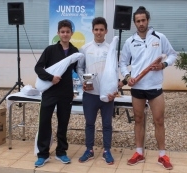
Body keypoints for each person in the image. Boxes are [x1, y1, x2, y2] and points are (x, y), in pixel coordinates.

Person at [119, 6, 177, 170]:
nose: (141, 23)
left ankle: (162, 155)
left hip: (154, 87)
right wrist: (128, 77)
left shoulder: (159, 37)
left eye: (143, 20)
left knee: (159, 121)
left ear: (148, 20)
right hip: (137, 87)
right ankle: (139, 152)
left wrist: (164, 64)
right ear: (134, 23)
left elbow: (172, 54)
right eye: (138, 21)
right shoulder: (130, 42)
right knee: (138, 120)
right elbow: (123, 63)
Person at [34, 20, 79, 167]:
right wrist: (50, 78)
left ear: (71, 33)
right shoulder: (50, 50)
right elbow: (38, 68)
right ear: (58, 33)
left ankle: (61, 152)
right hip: (50, 92)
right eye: (62, 32)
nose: (65, 34)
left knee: (63, 123)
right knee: (44, 122)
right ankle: (43, 154)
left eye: (67, 31)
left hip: (66, 93)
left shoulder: (75, 52)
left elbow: (79, 70)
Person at [76, 17, 116, 165]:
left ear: (106, 31)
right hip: (90, 94)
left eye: (101, 30)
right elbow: (79, 68)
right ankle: (89, 150)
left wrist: (113, 90)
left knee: (107, 124)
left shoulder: (110, 49)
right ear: (92, 30)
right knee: (89, 123)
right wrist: (82, 82)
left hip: (106, 95)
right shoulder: (85, 49)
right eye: (96, 29)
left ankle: (107, 151)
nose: (99, 32)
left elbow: (114, 71)